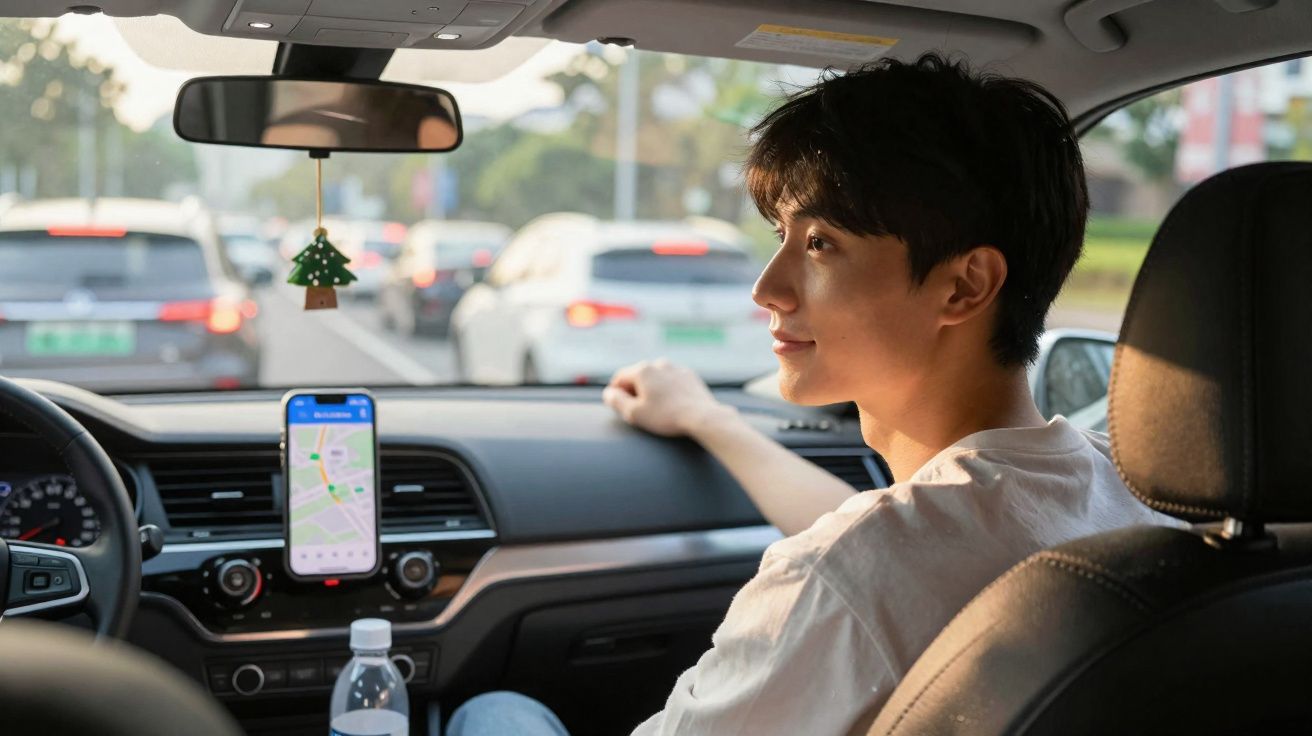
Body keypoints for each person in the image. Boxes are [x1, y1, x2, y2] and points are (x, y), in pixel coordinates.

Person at [446, 52, 1184, 735]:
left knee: (495, 712)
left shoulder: (841, 581)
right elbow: (898, 538)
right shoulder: (1136, 501)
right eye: (780, 235)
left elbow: (866, 562)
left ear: (965, 286)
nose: (767, 288)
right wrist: (709, 420)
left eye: (821, 243)